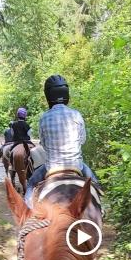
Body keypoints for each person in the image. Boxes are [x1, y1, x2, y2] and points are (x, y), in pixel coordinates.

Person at [25, 75, 99, 207]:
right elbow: (82, 140)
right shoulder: (76, 114)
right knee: (95, 184)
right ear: (66, 94)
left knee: (31, 183)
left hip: (52, 167)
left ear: (48, 96)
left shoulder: (44, 118)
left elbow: (44, 144)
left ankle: (28, 211)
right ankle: (101, 207)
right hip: (77, 165)